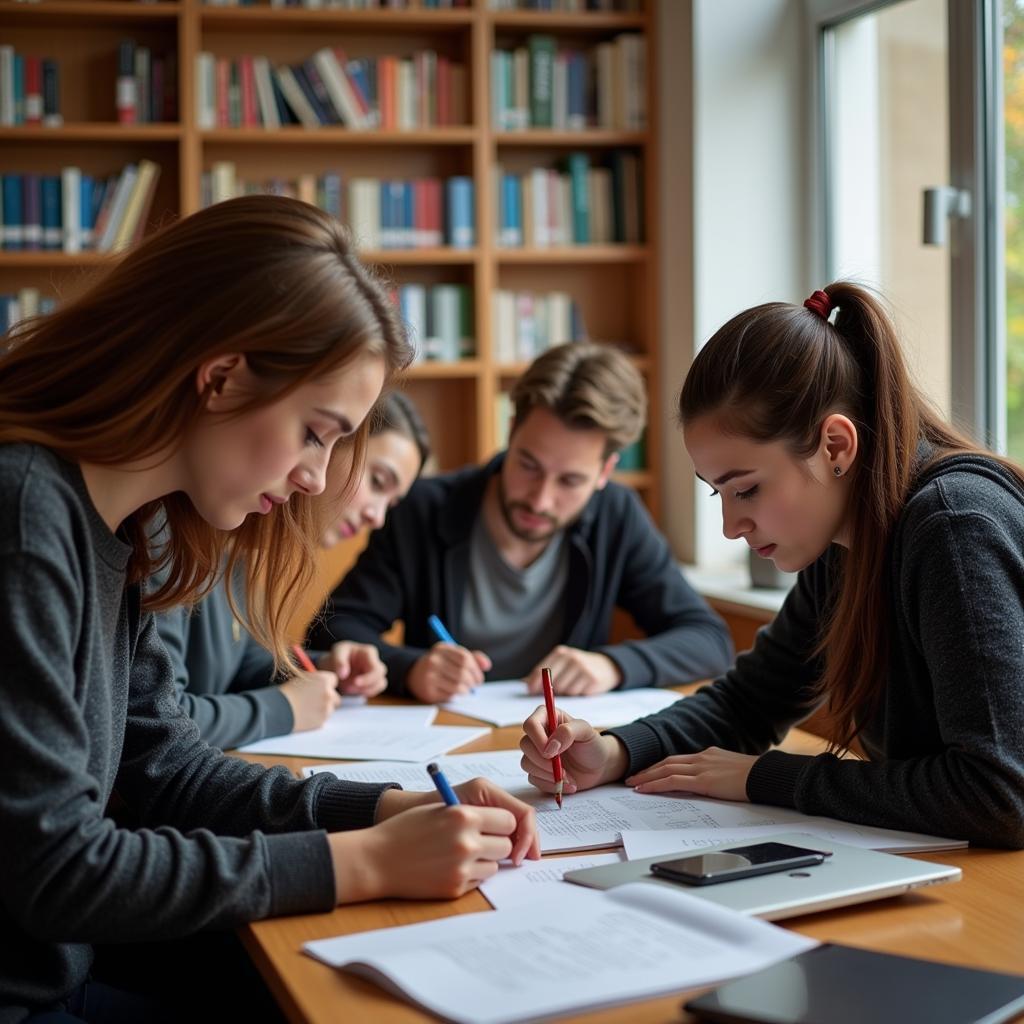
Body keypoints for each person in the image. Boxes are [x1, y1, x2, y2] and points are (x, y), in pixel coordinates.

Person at [0, 195, 538, 1023]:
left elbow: (163, 767)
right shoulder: (26, 513)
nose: (319, 480)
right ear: (220, 377)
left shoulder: (133, 528)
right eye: (316, 432)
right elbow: (58, 871)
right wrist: (362, 864)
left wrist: (389, 809)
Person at [521, 282, 1024, 849]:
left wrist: (764, 778)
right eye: (720, 494)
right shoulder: (844, 542)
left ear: (835, 447)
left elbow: (999, 794)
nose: (731, 527)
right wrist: (613, 751)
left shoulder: (952, 528)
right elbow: (750, 702)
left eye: (748, 490)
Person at [310, 342, 733, 703]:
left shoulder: (615, 516)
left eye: (570, 480)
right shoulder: (423, 508)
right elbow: (334, 628)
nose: (540, 497)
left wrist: (612, 666)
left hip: (563, 749)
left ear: (605, 472)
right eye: (529, 465)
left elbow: (708, 640)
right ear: (511, 432)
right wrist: (412, 668)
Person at [155, 391, 432, 749]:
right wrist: (285, 708)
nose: (377, 518)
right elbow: (157, 721)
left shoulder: (237, 547)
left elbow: (245, 667)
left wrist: (326, 669)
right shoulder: (170, 537)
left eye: (391, 504)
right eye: (377, 482)